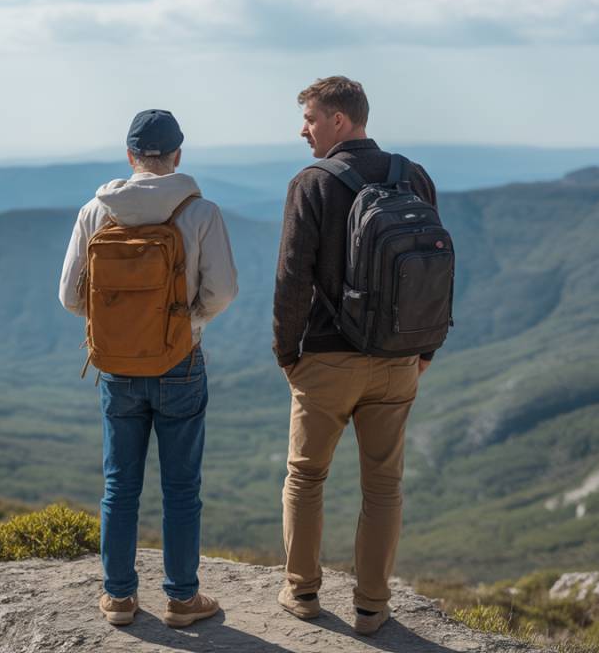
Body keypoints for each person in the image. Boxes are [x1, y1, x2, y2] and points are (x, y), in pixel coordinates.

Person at [272, 77, 439, 636]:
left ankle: (302, 593)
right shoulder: (413, 176)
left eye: (312, 119)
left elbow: (292, 278)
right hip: (397, 361)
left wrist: (287, 353)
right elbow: (435, 271)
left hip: (325, 360)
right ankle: (371, 607)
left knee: (305, 476)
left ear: (340, 121)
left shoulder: (312, 183)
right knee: (384, 486)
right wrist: (425, 349)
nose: (304, 129)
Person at [59, 109, 238, 629]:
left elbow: (70, 296)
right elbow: (221, 291)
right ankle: (182, 599)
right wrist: (186, 321)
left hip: (115, 365)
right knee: (182, 487)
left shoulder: (96, 212)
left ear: (131, 156)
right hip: (180, 361)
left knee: (120, 484)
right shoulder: (200, 211)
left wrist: (118, 322)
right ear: (177, 155)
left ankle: (118, 598)